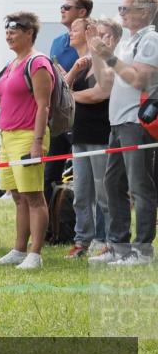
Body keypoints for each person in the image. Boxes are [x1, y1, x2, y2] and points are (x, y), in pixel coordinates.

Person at [0, 12, 53, 270]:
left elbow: (44, 107)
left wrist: (37, 142)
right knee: (18, 197)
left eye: (14, 31)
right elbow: (6, 102)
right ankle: (19, 250)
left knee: (34, 196)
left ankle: (35, 254)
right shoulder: (12, 64)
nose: (8, 35)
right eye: (7, 31)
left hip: (29, 136)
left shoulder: (38, 63)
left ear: (29, 33)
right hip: (8, 135)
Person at [86, 0, 158, 265]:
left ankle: (142, 249)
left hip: (135, 122)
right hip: (117, 122)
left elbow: (137, 79)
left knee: (140, 186)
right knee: (113, 183)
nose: (122, 14)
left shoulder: (150, 40)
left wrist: (108, 54)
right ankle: (119, 246)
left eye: (126, 9)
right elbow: (105, 84)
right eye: (121, 9)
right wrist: (96, 50)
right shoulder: (129, 42)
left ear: (144, 12)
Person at [62, 17, 111, 259]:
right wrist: (72, 72)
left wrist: (73, 95)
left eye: (75, 29)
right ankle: (83, 239)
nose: (70, 33)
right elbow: (62, 94)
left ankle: (105, 239)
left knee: (104, 193)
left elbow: (99, 94)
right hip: (79, 135)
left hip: (100, 135)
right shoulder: (80, 63)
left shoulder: (102, 61)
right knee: (81, 192)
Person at [44, 0, 94, 200]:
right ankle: (50, 229)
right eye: (61, 6)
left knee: (85, 177)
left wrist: (70, 77)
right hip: (60, 116)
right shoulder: (57, 41)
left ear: (81, 12)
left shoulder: (92, 43)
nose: (62, 10)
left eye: (67, 7)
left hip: (83, 117)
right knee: (49, 175)